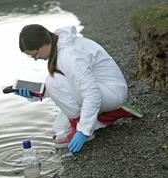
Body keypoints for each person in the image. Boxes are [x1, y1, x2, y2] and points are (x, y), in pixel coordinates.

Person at [16, 24, 142, 153]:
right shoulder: (59, 46)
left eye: (35, 55)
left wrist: (83, 131)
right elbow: (68, 84)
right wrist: (36, 93)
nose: (36, 59)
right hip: (103, 89)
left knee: (52, 80)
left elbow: (91, 93)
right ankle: (110, 114)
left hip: (111, 92)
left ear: (44, 43)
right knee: (60, 129)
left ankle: (89, 122)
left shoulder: (69, 56)